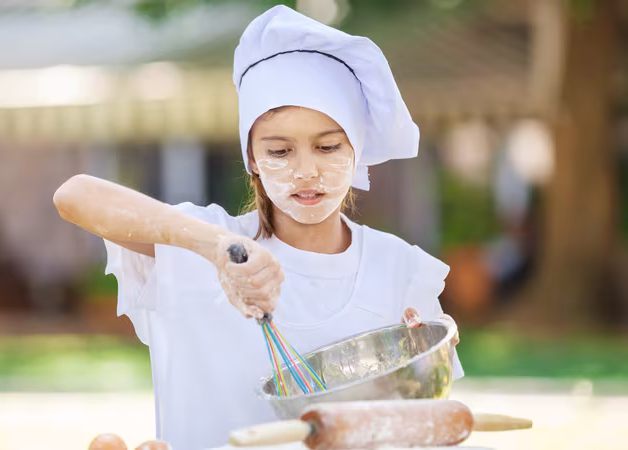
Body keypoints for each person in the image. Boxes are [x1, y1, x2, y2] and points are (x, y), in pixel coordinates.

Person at [54, 5, 462, 449]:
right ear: (251, 158)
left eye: (327, 147)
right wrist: (217, 248)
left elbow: (426, 430)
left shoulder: (400, 270)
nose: (306, 171)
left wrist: (425, 366)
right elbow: (75, 196)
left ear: (356, 149)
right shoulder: (200, 241)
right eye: (280, 151)